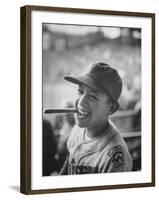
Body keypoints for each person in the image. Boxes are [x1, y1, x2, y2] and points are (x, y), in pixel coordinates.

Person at [59, 62, 132, 175]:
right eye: (80, 91)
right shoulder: (77, 130)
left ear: (111, 109)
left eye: (92, 96)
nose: (81, 101)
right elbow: (67, 167)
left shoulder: (115, 159)